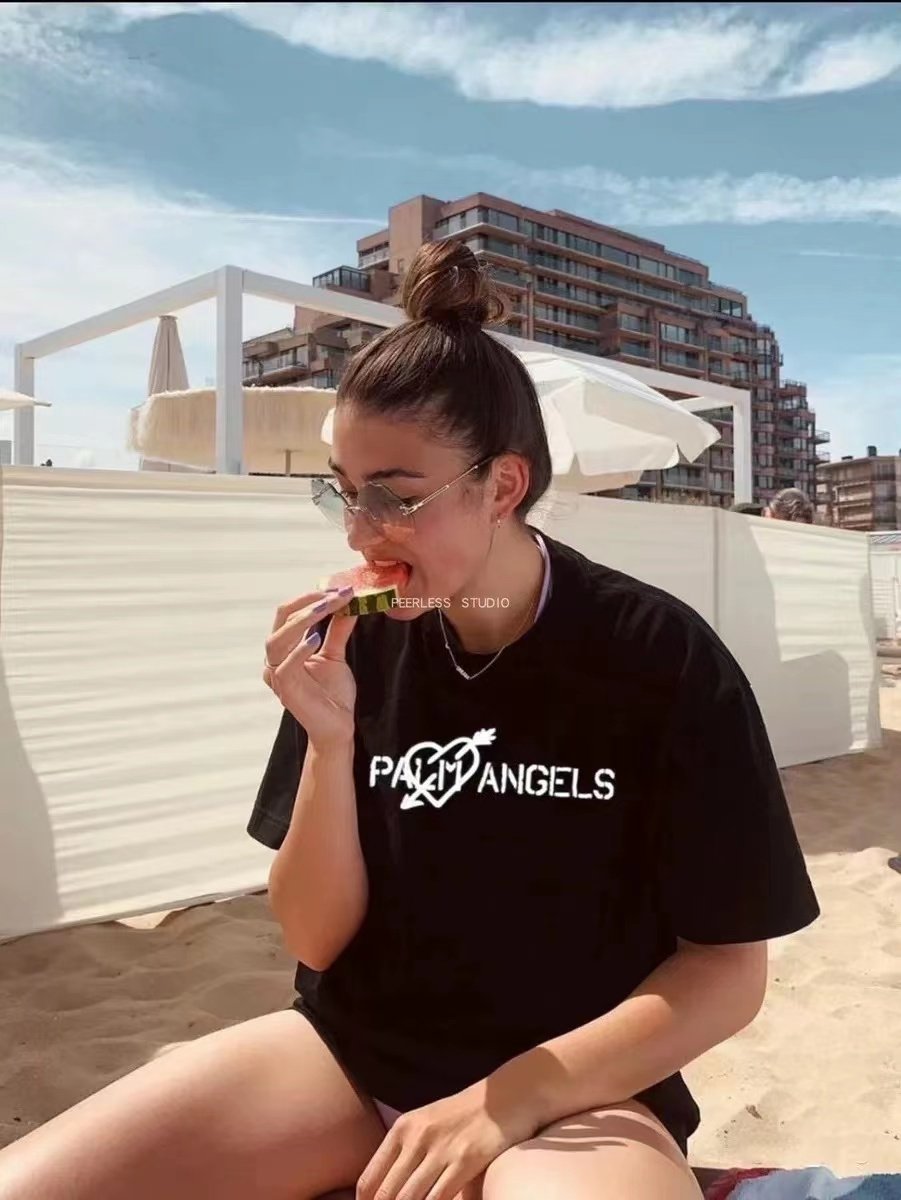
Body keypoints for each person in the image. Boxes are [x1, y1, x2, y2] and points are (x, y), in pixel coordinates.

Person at [0, 242, 820, 1200]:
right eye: (344, 492)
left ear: (501, 485)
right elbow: (314, 941)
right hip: (346, 1055)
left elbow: (726, 971)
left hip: (569, 1094)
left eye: (393, 495)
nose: (360, 531)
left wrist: (509, 1097)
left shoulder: (658, 656)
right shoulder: (360, 647)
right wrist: (329, 740)